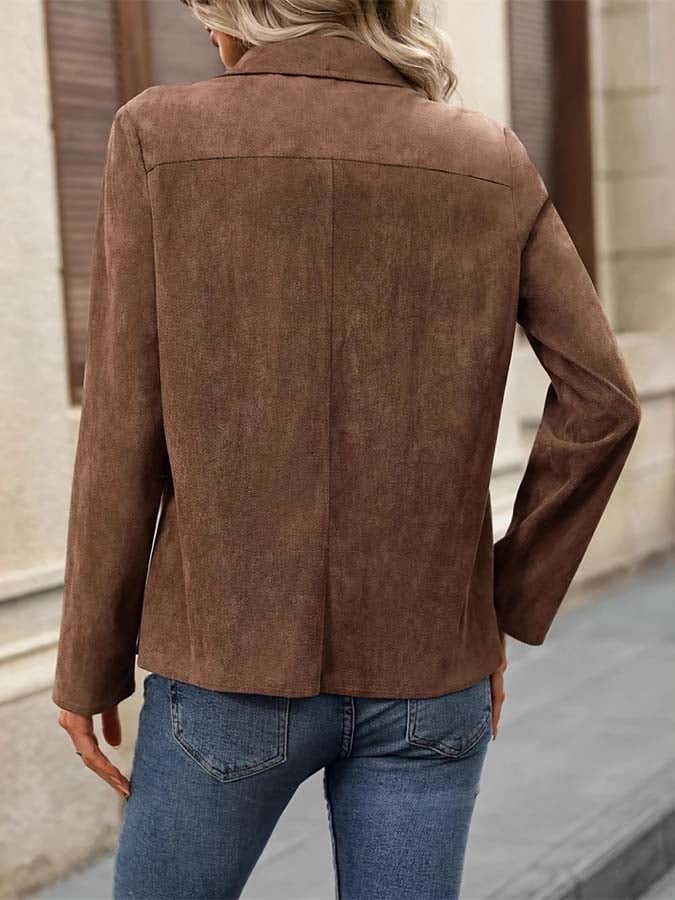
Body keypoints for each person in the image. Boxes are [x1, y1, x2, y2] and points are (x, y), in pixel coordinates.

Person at [51, 2, 642, 898]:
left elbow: (121, 422)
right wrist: (494, 605)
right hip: (428, 674)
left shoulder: (160, 136)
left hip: (229, 669)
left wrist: (88, 661)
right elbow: (603, 404)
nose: (205, 27)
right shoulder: (487, 157)